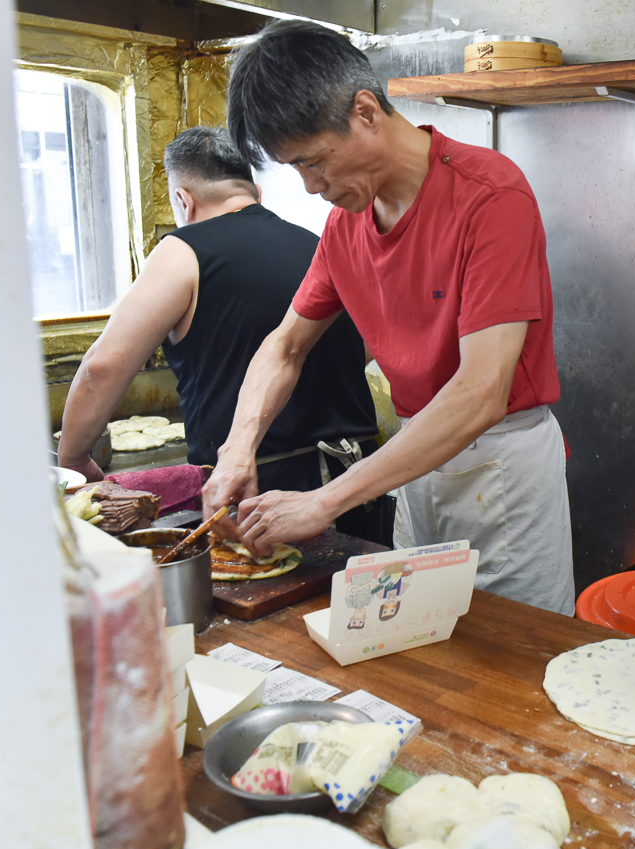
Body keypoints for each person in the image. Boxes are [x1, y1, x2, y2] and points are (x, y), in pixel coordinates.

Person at [201, 20, 575, 615]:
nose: (312, 186)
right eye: (294, 169)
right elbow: (285, 347)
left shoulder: (489, 195)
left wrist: (325, 502)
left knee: (514, 663)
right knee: (415, 643)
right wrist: (236, 450)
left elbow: (482, 392)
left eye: (315, 161)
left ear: (367, 111)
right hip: (413, 462)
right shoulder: (346, 223)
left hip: (500, 472)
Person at [56, 126, 384, 540]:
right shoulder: (317, 243)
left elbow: (102, 368)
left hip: (255, 491)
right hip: (356, 483)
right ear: (256, 194)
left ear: (183, 200)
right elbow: (367, 346)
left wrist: (74, 463)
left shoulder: (183, 251)